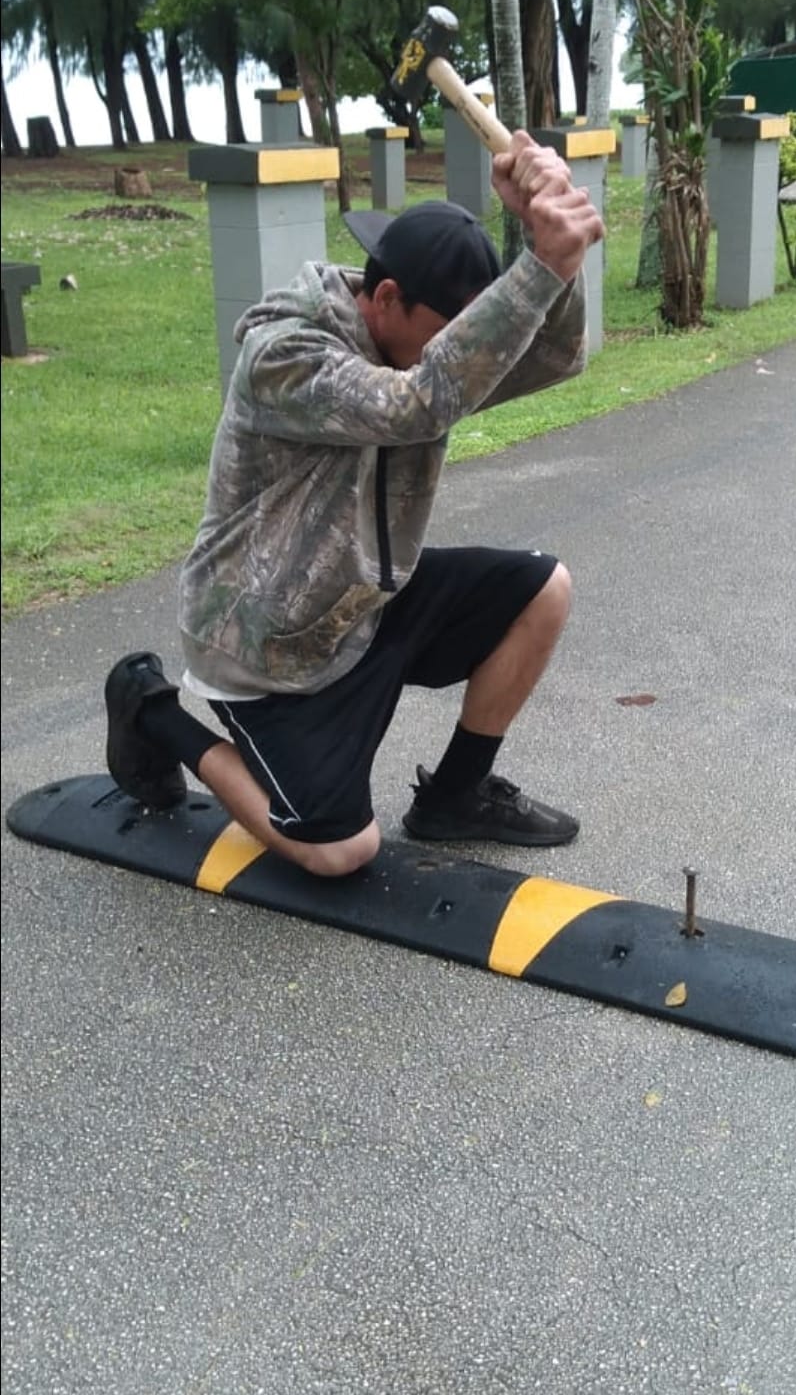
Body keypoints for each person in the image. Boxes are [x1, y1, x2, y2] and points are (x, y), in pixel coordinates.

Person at [104, 130, 604, 877]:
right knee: (338, 851)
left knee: (544, 589)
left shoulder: (419, 344)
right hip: (268, 648)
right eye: (446, 336)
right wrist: (540, 268)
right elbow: (418, 403)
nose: (456, 353)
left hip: (364, 602)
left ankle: (455, 797)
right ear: (388, 298)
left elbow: (554, 355)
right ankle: (150, 708)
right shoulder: (285, 355)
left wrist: (548, 241)